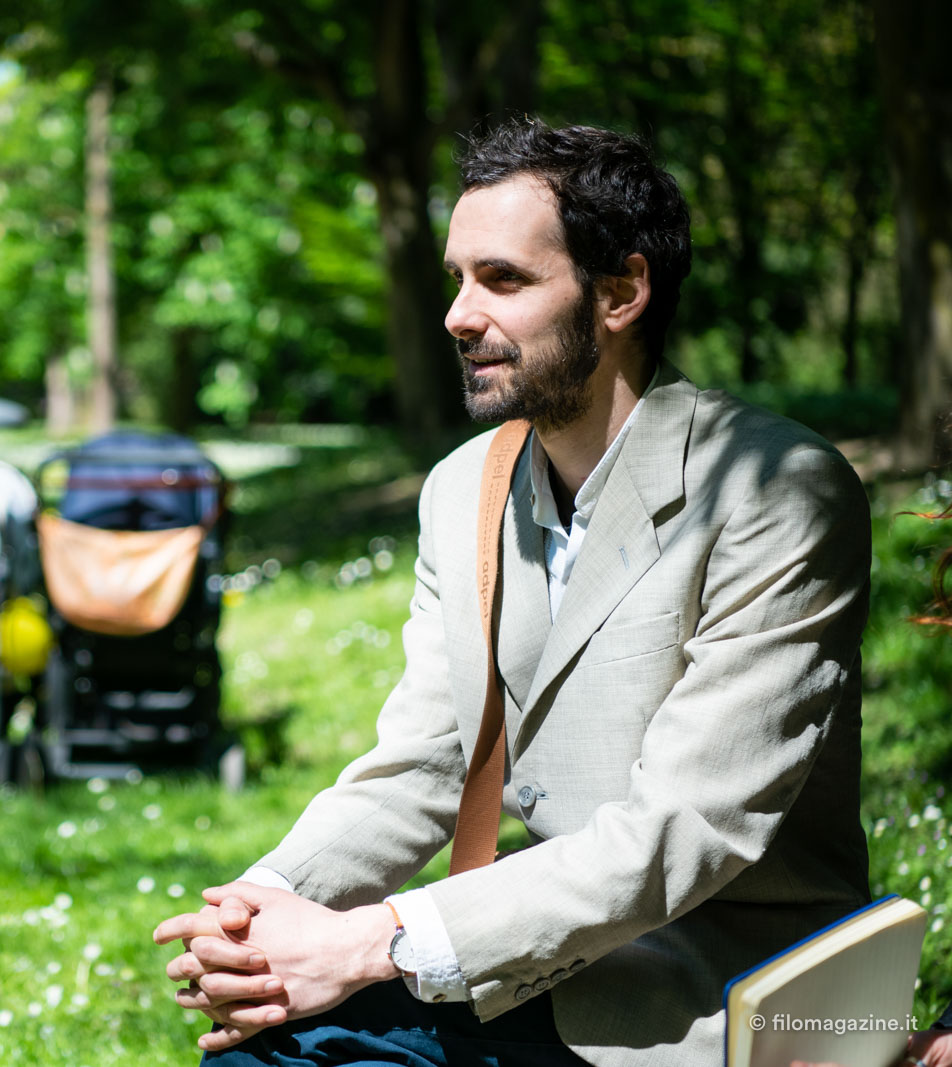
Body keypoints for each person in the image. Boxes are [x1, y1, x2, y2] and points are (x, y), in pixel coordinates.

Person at [154, 118, 879, 1066]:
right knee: (265, 1051)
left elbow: (687, 828)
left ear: (620, 293)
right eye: (456, 278)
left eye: (502, 279)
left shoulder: (774, 491)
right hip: (532, 967)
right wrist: (261, 910)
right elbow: (423, 763)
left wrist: (372, 940)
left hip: (722, 999)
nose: (458, 315)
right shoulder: (464, 489)